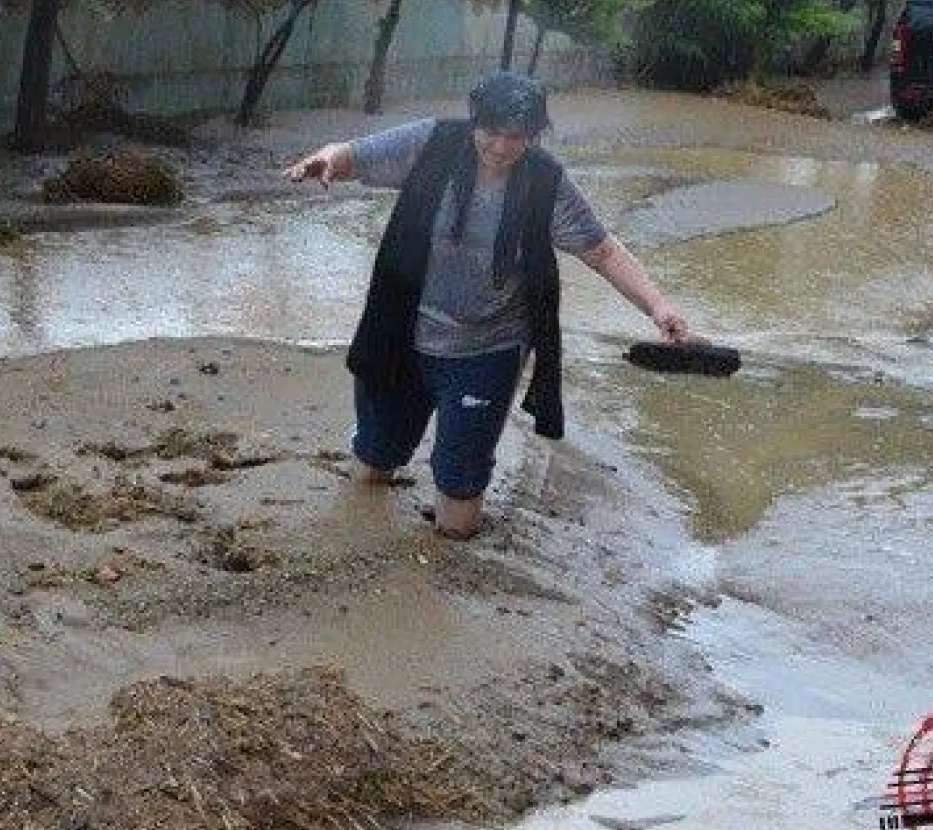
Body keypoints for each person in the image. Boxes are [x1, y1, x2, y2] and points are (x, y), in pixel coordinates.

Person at [282, 70, 692, 540]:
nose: (500, 146)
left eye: (516, 136)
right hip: (402, 336)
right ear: (474, 120)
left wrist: (658, 307)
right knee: (373, 465)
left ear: (534, 134)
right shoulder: (432, 143)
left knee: (458, 518)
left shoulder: (545, 183)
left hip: (487, 352)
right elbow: (354, 155)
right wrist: (327, 159)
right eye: (491, 131)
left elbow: (601, 251)